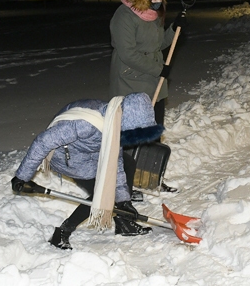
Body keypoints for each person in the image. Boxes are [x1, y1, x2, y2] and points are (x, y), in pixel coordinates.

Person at [10, 93, 164, 250]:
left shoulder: (113, 118)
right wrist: (22, 177)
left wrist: (124, 200)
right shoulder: (86, 125)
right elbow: (43, 142)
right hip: (68, 159)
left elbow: (115, 164)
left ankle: (124, 222)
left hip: (89, 151)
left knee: (128, 164)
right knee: (103, 194)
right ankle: (62, 233)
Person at [109, 0, 184, 194]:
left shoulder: (152, 17)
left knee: (153, 133)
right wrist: (157, 70)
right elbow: (128, 53)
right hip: (131, 82)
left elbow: (159, 43)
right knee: (135, 137)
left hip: (154, 83)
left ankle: (151, 178)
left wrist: (174, 29)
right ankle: (128, 185)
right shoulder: (123, 16)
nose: (158, 4)